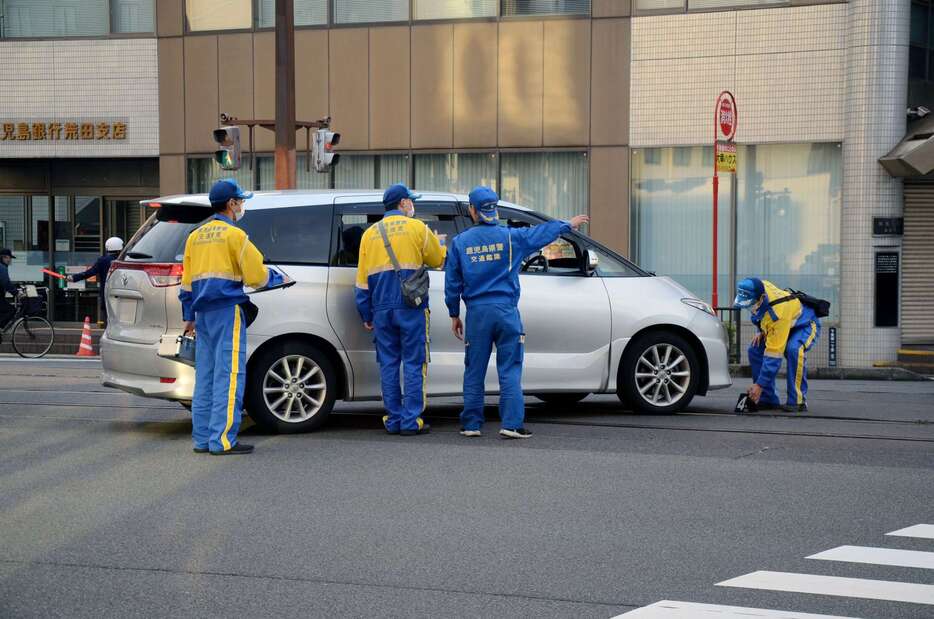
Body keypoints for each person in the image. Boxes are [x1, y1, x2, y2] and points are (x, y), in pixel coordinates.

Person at [444, 186, 589, 439]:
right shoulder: (512, 238)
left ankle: (471, 424)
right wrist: (567, 224)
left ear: (472, 210)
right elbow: (540, 234)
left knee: (474, 369)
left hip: (477, 314)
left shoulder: (460, 242)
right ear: (494, 209)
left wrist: (454, 313)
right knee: (509, 368)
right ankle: (511, 424)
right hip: (506, 311)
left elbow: (452, 282)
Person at [179, 179, 285, 455]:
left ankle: (202, 439)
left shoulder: (195, 237)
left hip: (202, 315)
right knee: (229, 376)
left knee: (206, 377)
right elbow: (257, 276)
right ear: (231, 204)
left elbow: (187, 283)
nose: (242, 206)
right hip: (227, 312)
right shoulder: (235, 236)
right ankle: (223, 441)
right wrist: (278, 278)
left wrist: (188, 314)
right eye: (241, 201)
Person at [355, 183, 446, 436]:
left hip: (381, 309)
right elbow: (438, 259)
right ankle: (410, 421)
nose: (412, 205)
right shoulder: (417, 227)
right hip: (411, 307)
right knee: (415, 363)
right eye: (410, 201)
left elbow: (362, 280)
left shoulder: (369, 234)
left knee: (388, 364)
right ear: (403, 203)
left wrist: (366, 313)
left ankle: (393, 419)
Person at [734, 277, 821, 413]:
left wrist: (758, 384)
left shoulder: (777, 314)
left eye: (751, 304)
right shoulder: (761, 286)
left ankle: (797, 401)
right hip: (784, 324)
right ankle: (767, 399)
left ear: (761, 297)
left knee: (793, 349)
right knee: (754, 349)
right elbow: (759, 315)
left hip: (805, 324)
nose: (750, 308)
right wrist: (760, 330)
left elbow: (773, 357)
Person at [69, 236, 123, 326]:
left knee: (109, 321)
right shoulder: (123, 260)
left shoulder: (102, 261)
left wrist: (74, 278)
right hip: (123, 293)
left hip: (107, 293)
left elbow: (89, 273)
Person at [0, 248, 18, 330]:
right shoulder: (2, 267)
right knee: (11, 310)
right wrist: (16, 293)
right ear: (3, 257)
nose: (10, 260)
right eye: (9, 258)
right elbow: (6, 283)